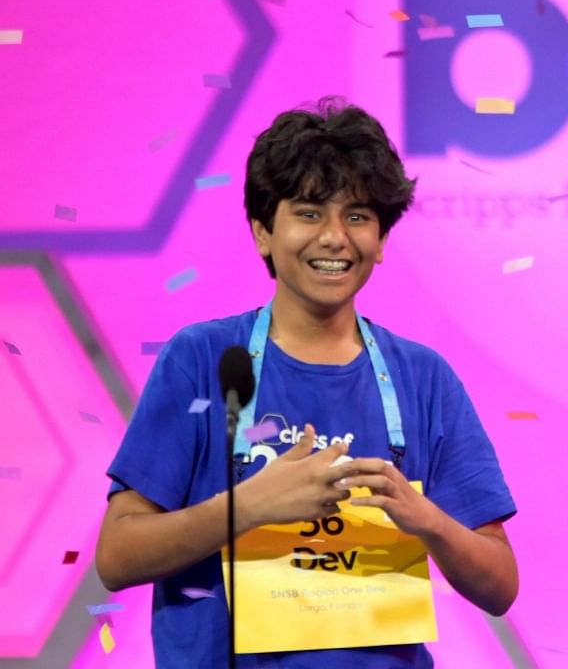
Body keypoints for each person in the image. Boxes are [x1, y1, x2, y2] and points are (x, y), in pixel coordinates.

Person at [95, 97, 518, 668]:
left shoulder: (425, 378)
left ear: (382, 239)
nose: (335, 238)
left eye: (358, 216)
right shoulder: (201, 359)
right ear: (264, 232)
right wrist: (245, 507)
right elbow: (117, 556)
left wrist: (428, 521)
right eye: (310, 212)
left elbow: (499, 586)